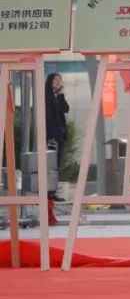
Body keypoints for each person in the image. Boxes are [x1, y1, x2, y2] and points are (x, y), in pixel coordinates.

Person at [44, 72, 69, 226]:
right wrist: (50, 135)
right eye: (56, 80)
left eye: (60, 80)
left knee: (56, 164)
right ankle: (50, 192)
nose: (59, 82)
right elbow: (47, 117)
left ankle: (53, 191)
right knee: (51, 165)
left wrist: (61, 95)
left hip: (60, 135)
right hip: (52, 135)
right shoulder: (46, 95)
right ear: (50, 81)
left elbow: (65, 109)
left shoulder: (56, 96)